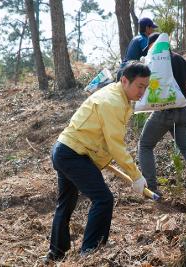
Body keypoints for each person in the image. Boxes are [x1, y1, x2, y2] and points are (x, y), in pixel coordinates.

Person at [45, 62, 151, 263]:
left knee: (66, 202)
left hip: (66, 149)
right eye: (139, 86)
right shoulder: (112, 102)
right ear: (124, 80)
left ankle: (56, 252)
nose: (142, 91)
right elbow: (115, 145)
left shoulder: (118, 95)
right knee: (103, 199)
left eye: (146, 86)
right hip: (73, 153)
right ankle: (90, 252)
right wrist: (136, 175)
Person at [138, 33, 186, 197]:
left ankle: (152, 189)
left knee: (145, 146)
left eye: (149, 47)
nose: (148, 50)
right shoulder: (180, 59)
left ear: (154, 46)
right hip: (183, 112)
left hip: (163, 113)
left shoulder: (155, 61)